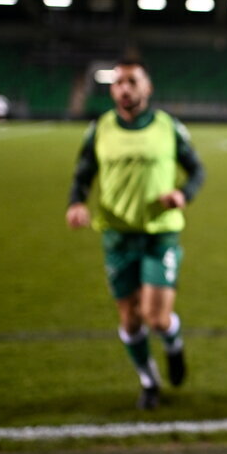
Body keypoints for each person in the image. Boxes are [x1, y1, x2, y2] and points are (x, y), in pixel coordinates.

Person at [66, 59, 204, 410]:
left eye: (131, 81)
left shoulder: (167, 126)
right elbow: (83, 173)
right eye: (117, 83)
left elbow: (196, 169)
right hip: (117, 236)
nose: (123, 88)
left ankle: (172, 344)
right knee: (129, 320)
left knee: (156, 318)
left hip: (160, 235)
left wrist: (182, 195)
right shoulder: (100, 129)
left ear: (147, 87)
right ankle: (149, 382)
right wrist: (77, 203)